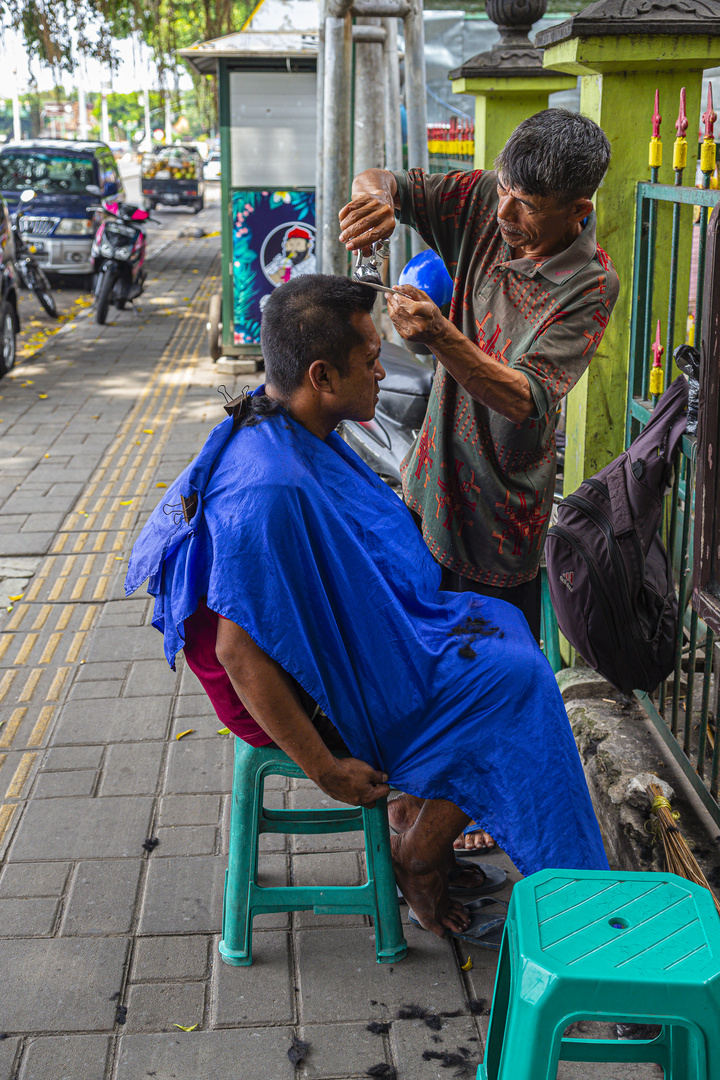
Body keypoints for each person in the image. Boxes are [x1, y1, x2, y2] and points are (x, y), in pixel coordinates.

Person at [126, 274, 609, 943]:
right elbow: (239, 652)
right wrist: (325, 770)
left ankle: (432, 838)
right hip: (303, 698)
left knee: (502, 629)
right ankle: (432, 860)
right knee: (516, 683)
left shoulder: (289, 425)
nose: (384, 372)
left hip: (322, 664)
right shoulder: (268, 492)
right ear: (322, 376)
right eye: (372, 359)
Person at [339, 108, 619, 850]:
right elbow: (391, 181)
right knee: (422, 665)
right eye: (502, 189)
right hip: (429, 486)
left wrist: (439, 337)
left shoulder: (588, 285)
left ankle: (436, 832)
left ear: (577, 211)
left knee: (494, 683)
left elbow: (523, 395)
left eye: (526, 205)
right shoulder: (482, 205)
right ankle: (417, 803)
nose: (504, 213)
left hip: (504, 517)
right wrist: (375, 201)